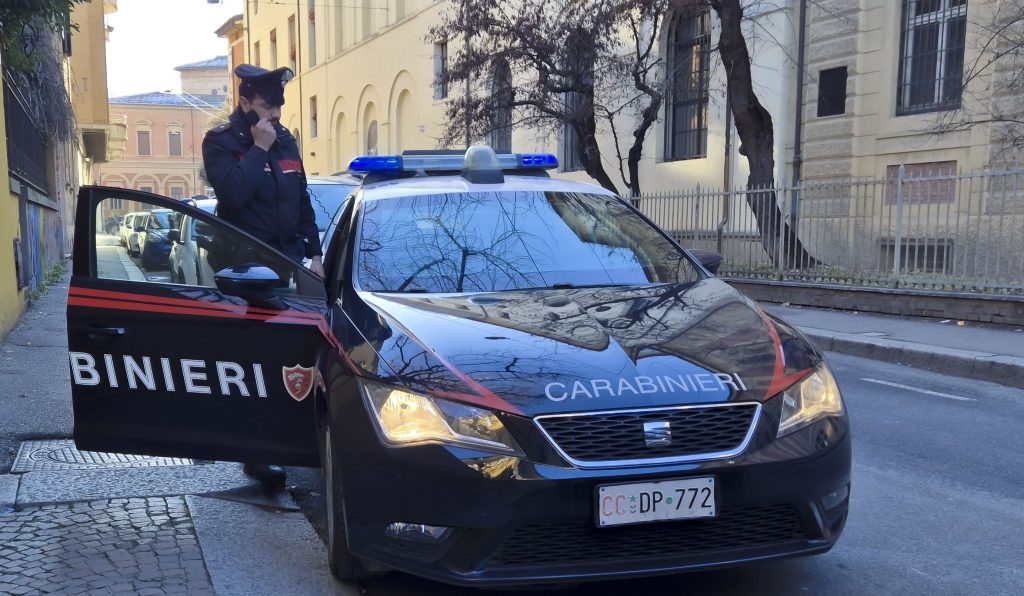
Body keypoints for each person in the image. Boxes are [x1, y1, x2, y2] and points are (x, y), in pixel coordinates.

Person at [202, 64, 323, 491]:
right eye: (267, 106)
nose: (275, 115)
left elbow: (302, 200)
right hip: (243, 273)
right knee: (252, 364)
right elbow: (233, 195)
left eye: (278, 107)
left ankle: (289, 440)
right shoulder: (220, 143)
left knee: (288, 358)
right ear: (246, 103)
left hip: (287, 267)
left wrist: (315, 254)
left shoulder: (287, 141)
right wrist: (257, 149)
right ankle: (257, 452)